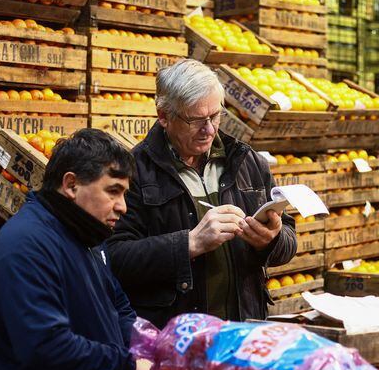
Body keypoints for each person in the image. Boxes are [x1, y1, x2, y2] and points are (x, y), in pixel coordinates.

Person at [0, 129, 151, 370]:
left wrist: (153, 345)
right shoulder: (26, 245)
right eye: (113, 191)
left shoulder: (87, 234)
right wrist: (129, 367)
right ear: (72, 185)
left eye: (125, 194)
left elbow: (117, 306)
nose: (123, 207)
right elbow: (48, 347)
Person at [107, 59, 297, 328]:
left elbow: (288, 241)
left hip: (243, 332)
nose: (209, 129)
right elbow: (115, 258)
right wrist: (189, 243)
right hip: (177, 337)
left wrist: (271, 240)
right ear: (164, 116)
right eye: (195, 120)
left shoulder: (247, 162)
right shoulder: (134, 172)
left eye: (215, 116)